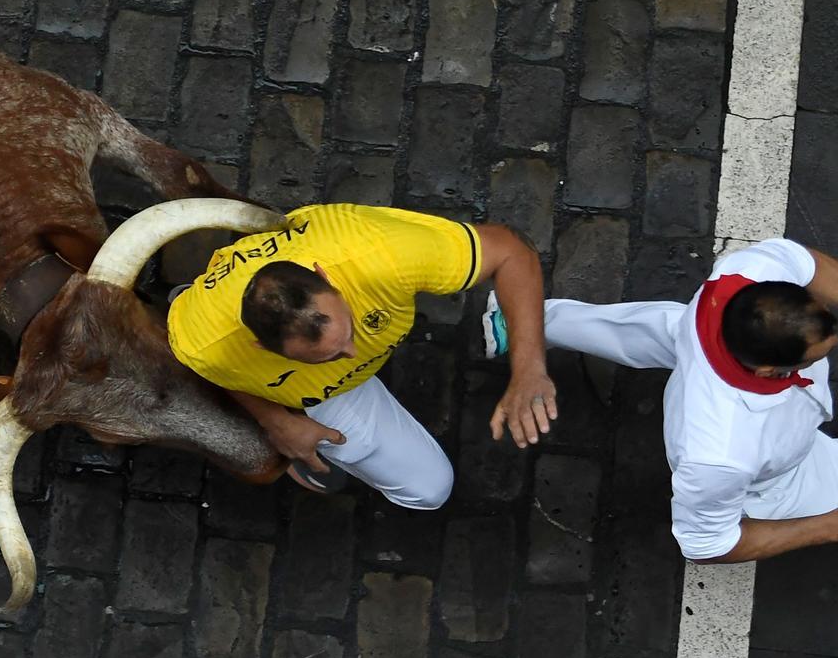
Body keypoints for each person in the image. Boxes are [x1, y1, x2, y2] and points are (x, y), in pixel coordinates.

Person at [483, 238, 838, 562]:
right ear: (770, 371)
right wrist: (837, 525)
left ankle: (525, 320)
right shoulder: (719, 455)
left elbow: (807, 265)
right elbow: (708, 543)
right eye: (814, 359)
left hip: (694, 337)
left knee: (647, 330)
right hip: (781, 473)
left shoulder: (740, 279)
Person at [166, 203, 556, 509]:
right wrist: (276, 422)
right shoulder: (204, 344)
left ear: (327, 276)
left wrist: (528, 368)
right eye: (326, 356)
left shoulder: (383, 252)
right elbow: (219, 373)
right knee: (430, 490)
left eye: (348, 333)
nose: (352, 353)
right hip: (313, 395)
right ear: (262, 349)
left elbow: (511, 250)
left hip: (309, 356)